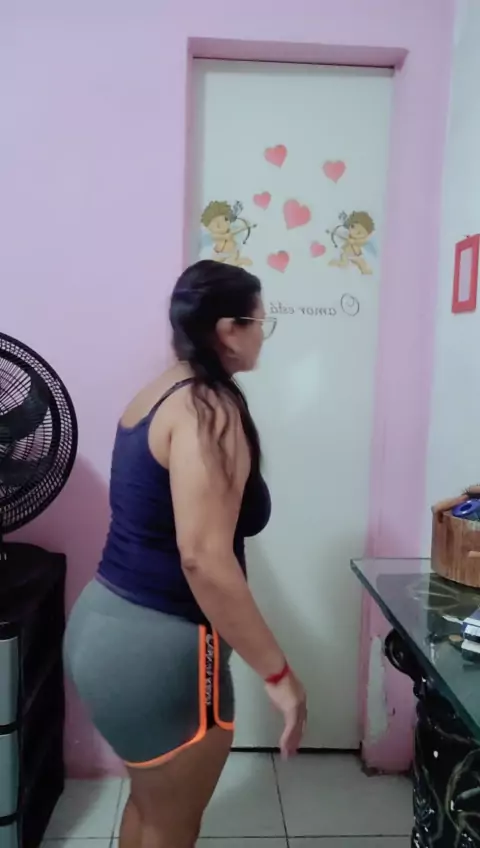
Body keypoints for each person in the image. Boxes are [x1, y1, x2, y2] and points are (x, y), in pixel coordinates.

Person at [64, 259, 307, 848]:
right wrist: (279, 675)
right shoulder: (207, 410)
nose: (263, 336)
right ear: (228, 330)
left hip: (104, 624)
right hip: (162, 651)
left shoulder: (158, 393)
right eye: (260, 323)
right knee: (172, 826)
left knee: (151, 810)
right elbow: (203, 559)